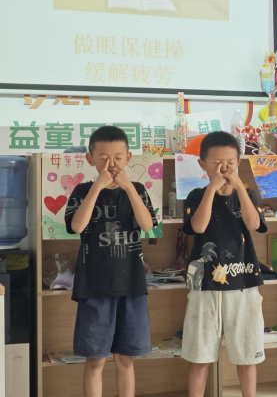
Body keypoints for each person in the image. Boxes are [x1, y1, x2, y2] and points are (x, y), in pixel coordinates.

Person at [65, 126, 158, 397]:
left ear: (128, 157)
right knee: (95, 359)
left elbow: (147, 225)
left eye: (118, 158)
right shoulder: (83, 190)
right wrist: (97, 187)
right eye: (103, 158)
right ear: (90, 159)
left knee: (125, 358)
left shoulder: (137, 189)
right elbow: (77, 226)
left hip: (131, 285)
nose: (111, 164)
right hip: (94, 287)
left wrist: (128, 187)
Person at [181, 132, 268, 397]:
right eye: (217, 163)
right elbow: (198, 227)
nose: (224, 169)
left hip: (244, 283)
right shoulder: (196, 195)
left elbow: (254, 224)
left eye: (230, 163)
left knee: (247, 355)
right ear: (202, 164)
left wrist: (239, 187)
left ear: (238, 163)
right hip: (204, 285)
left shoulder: (247, 194)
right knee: (200, 356)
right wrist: (211, 190)